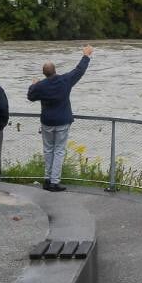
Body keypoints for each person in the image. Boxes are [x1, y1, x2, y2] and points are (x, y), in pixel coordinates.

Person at [27, 45, 94, 192]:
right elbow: (79, 70)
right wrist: (86, 55)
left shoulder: (40, 86)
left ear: (44, 73)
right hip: (62, 121)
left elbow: (30, 97)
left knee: (48, 150)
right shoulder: (65, 80)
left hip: (47, 122)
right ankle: (54, 182)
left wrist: (33, 85)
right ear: (55, 70)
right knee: (58, 151)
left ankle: (47, 179)